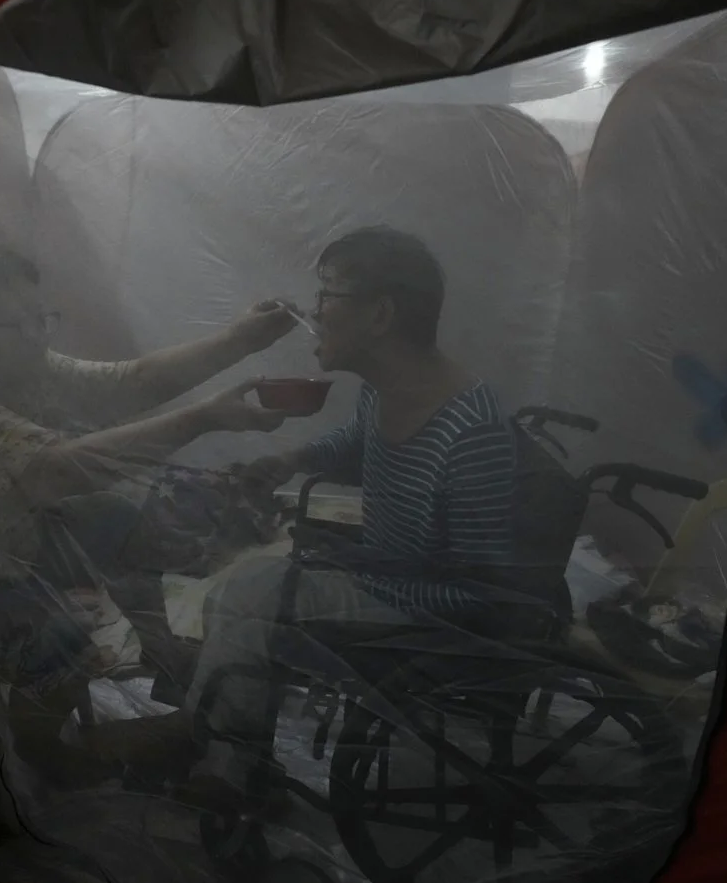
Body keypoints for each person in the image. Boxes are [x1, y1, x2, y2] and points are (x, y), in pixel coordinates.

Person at [0, 242, 298, 783]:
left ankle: (168, 658)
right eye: (19, 325)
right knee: (60, 631)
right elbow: (59, 470)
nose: (40, 336)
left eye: (42, 319)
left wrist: (241, 339)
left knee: (116, 513)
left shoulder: (20, 368)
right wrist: (202, 419)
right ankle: (48, 750)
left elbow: (132, 383)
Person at [177, 226, 520, 807]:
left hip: (422, 610)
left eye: (327, 296)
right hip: (383, 574)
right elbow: (355, 441)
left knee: (252, 594)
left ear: (380, 314)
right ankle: (234, 756)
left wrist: (362, 580)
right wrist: (290, 459)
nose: (313, 313)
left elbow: (482, 592)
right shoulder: (388, 389)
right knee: (240, 590)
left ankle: (210, 755)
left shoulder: (471, 431)